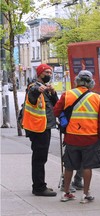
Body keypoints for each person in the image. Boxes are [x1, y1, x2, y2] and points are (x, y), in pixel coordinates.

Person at [53, 70, 100, 203]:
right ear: (91, 82)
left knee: (69, 166)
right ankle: (85, 194)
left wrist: (64, 119)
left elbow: (56, 111)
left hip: (72, 137)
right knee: (87, 166)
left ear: (77, 81)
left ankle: (66, 193)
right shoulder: (96, 97)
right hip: (90, 137)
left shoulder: (68, 94)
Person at [22, 63, 58, 196]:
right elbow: (32, 97)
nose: (49, 75)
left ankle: (40, 184)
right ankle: (39, 187)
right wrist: (39, 90)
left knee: (41, 158)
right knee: (39, 158)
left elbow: (56, 104)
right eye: (46, 73)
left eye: (50, 73)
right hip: (38, 129)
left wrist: (53, 93)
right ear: (40, 73)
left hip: (43, 127)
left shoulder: (45, 89)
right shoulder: (34, 87)